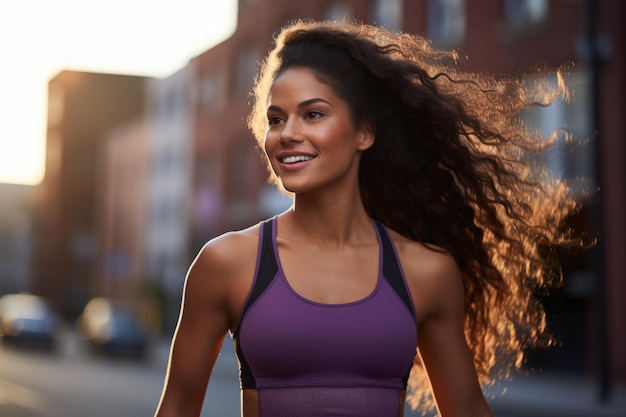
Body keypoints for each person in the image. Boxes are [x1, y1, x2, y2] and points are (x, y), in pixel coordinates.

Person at [154, 19, 580, 417]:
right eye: (276, 119)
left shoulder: (424, 272)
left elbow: (467, 409)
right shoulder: (227, 263)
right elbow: (175, 409)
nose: (287, 134)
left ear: (365, 133)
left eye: (313, 114)